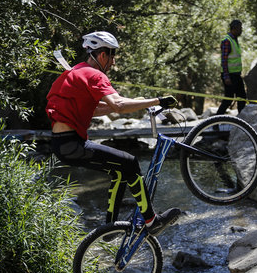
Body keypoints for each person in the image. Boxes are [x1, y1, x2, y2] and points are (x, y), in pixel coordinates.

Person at [46, 31, 181, 235]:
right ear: (102, 55)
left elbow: (99, 108)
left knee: (120, 170)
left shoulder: (77, 72)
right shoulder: (95, 74)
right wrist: (157, 101)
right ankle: (152, 222)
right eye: (112, 55)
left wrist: (136, 103)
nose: (113, 61)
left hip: (61, 144)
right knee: (131, 162)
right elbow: (118, 104)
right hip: (72, 143)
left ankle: (109, 228)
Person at [216, 20, 247, 115]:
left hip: (236, 75)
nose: (241, 30)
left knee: (242, 97)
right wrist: (226, 77)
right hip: (229, 76)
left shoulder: (234, 39)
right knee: (228, 99)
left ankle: (242, 122)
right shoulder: (227, 41)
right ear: (234, 28)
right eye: (240, 28)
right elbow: (224, 60)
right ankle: (215, 122)